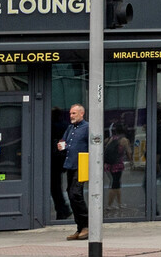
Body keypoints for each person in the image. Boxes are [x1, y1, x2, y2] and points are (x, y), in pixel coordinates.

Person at [57, 103, 89, 240]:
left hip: (81, 165)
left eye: (74, 113)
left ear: (82, 113)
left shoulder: (87, 128)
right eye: (70, 113)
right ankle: (80, 227)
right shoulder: (70, 128)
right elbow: (64, 141)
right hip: (70, 165)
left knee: (75, 194)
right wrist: (60, 145)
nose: (71, 116)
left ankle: (86, 226)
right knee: (71, 195)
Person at [104, 128, 130, 215]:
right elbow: (129, 152)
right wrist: (132, 161)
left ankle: (119, 203)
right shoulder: (124, 140)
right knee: (114, 185)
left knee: (117, 184)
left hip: (109, 165)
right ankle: (109, 205)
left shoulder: (111, 138)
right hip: (117, 165)